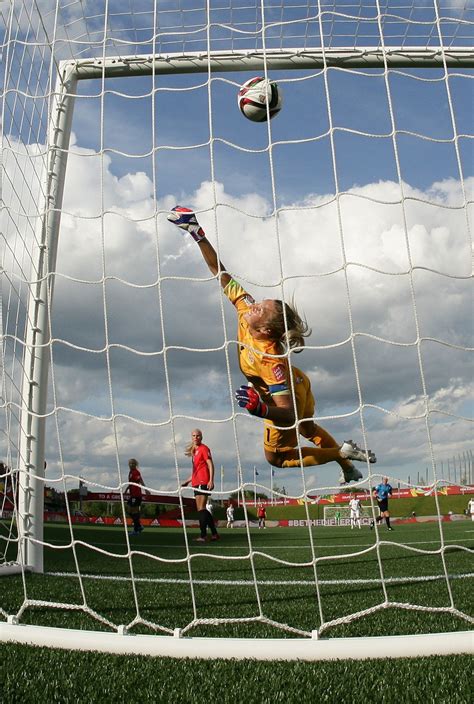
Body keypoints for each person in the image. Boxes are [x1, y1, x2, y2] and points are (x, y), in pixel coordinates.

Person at [168, 206, 376, 483]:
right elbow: (220, 272)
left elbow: (287, 412)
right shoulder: (245, 310)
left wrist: (260, 409)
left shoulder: (271, 360)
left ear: (265, 329)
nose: (254, 304)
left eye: (261, 309)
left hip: (287, 394)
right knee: (308, 427)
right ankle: (346, 462)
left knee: (277, 458)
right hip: (299, 381)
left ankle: (341, 453)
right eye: (260, 302)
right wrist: (197, 234)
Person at [181, 429, 220, 542]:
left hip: (203, 481)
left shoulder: (204, 449)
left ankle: (203, 536)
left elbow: (210, 465)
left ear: (201, 437)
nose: (196, 437)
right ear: (191, 437)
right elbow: (196, 470)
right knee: (201, 509)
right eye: (193, 436)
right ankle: (214, 534)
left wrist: (211, 480)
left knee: (201, 509)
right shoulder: (194, 451)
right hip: (196, 482)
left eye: (198, 436)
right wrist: (188, 481)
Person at [125, 459, 149, 536]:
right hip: (132, 495)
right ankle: (139, 526)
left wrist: (146, 489)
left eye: (133, 463)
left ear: (135, 464)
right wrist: (127, 488)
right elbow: (132, 482)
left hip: (136, 495)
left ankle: (136, 530)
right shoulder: (131, 472)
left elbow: (140, 480)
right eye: (130, 463)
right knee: (130, 510)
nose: (131, 464)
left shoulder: (136, 472)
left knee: (133, 511)